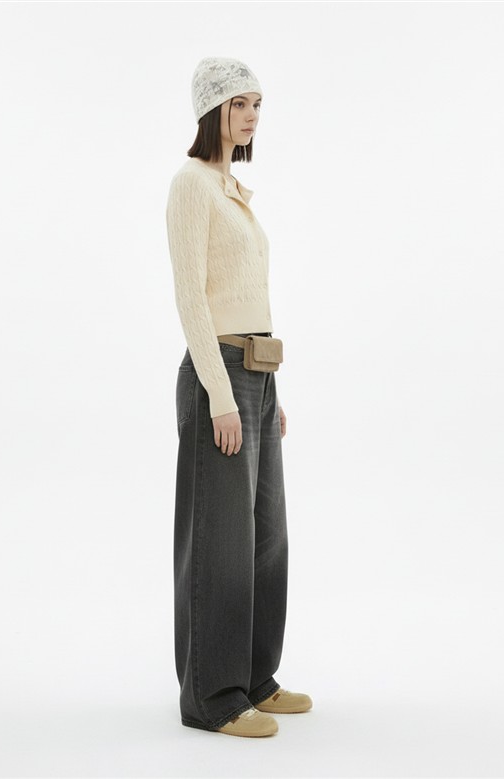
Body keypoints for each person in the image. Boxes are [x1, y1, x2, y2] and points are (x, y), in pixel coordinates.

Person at [165, 56, 313, 738]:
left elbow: (248, 293)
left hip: (256, 370)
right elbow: (192, 297)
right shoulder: (192, 184)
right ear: (212, 110)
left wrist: (268, 390)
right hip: (217, 372)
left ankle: (253, 677)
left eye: (257, 104)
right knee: (220, 541)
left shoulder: (232, 189)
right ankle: (212, 697)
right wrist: (221, 395)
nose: (252, 116)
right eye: (239, 104)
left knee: (265, 535)